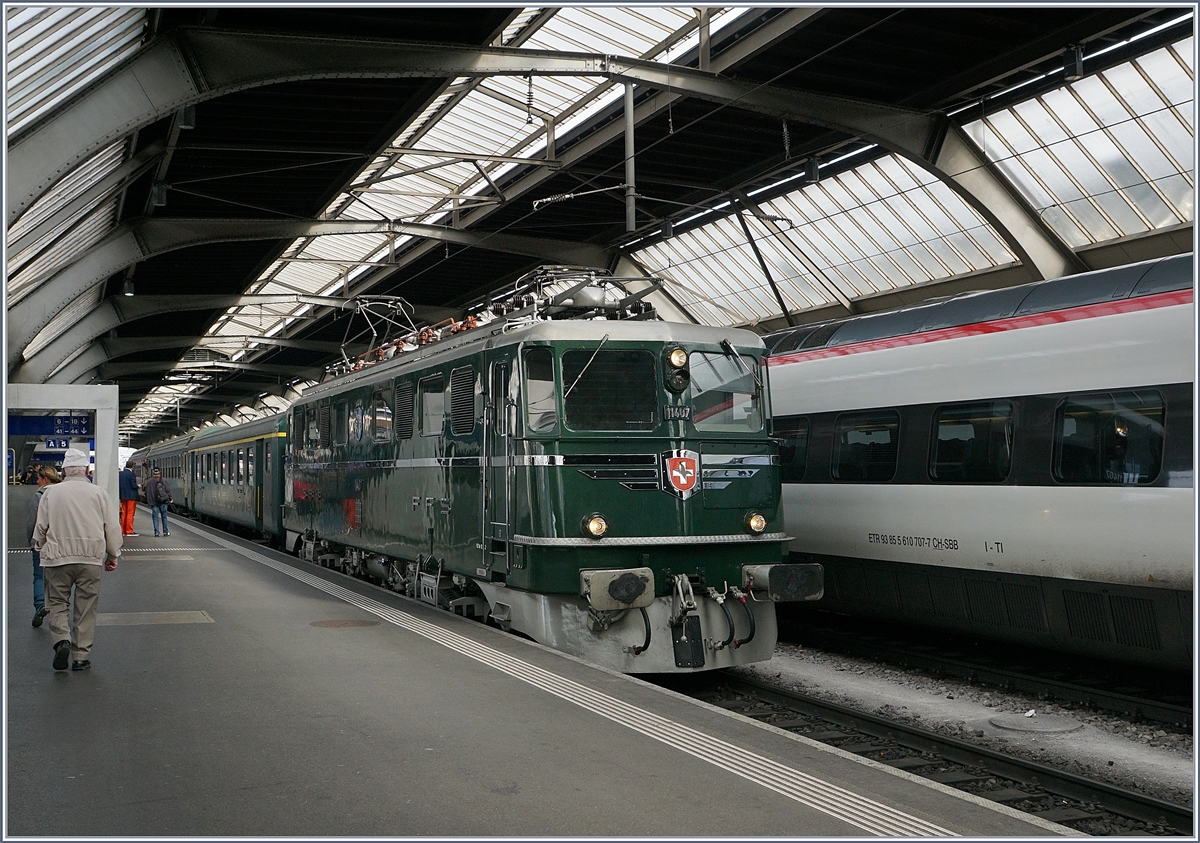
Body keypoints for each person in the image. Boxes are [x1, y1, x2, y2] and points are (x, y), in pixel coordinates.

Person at [32, 448, 121, 671]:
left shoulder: (51, 493)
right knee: (86, 607)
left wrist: (39, 545)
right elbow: (111, 527)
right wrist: (113, 554)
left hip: (57, 558)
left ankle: (62, 640)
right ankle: (81, 656)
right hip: (90, 559)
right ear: (87, 470)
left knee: (57, 603)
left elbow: (40, 527)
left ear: (63, 471)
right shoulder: (99, 493)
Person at [23, 465, 62, 628]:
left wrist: (31, 541)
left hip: (41, 542)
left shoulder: (39, 495)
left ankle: (40, 605)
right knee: (58, 579)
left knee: (39, 577)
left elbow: (32, 520)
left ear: (45, 479)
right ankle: (59, 611)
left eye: (39, 479)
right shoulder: (63, 493)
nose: (37, 481)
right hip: (60, 543)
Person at [145, 467, 172, 537]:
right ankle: (165, 531)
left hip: (154, 502)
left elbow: (146, 493)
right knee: (164, 517)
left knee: (155, 517)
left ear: (153, 473)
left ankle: (157, 533)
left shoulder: (149, 482)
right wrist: (170, 498)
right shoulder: (163, 480)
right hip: (163, 501)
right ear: (160, 472)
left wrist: (149, 501)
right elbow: (167, 490)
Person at [118, 461, 140, 536]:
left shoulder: (121, 474)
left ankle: (123, 530)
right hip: (131, 496)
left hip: (123, 496)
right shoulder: (132, 474)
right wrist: (138, 486)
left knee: (124, 513)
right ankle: (129, 530)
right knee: (130, 513)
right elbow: (133, 486)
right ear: (132, 466)